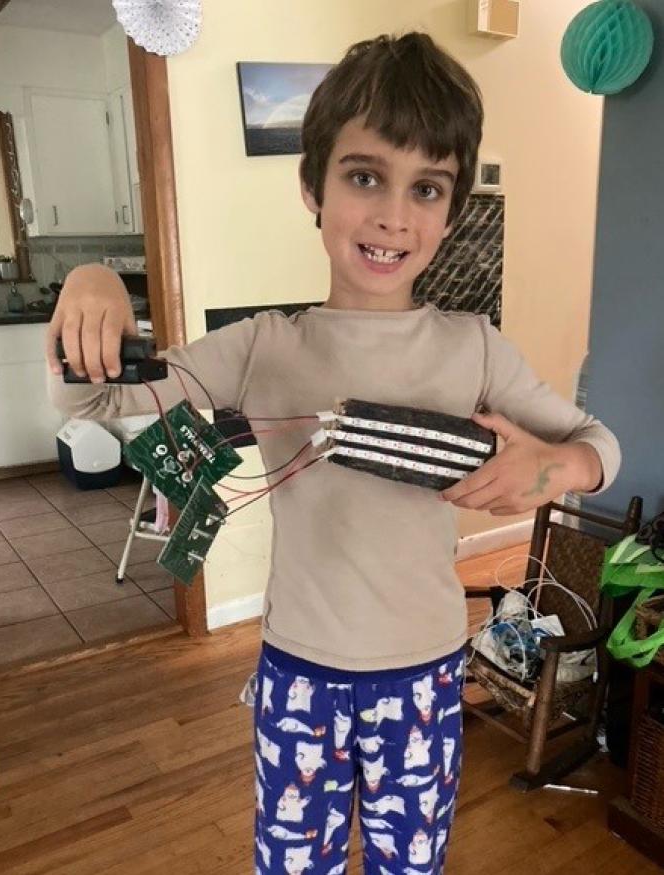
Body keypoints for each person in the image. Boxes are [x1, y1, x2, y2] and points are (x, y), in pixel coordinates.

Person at [46, 32, 620, 875]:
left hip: (423, 680)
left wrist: (559, 467)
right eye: (364, 176)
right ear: (312, 186)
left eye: (426, 187)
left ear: (451, 209)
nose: (393, 214)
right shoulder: (264, 348)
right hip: (299, 677)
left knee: (410, 864)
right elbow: (97, 400)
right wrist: (89, 286)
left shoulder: (477, 350)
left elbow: (598, 442)